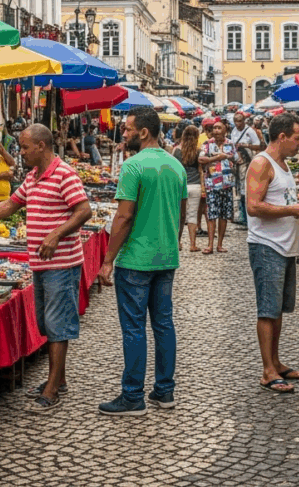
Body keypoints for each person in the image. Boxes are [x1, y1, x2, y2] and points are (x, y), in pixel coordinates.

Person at [0, 124, 92, 411]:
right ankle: (60, 379)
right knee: (45, 323)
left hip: (62, 264)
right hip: (40, 263)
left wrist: (55, 234)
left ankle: (52, 388)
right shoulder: (33, 176)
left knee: (57, 325)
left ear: (41, 146)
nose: (21, 152)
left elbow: (84, 211)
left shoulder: (64, 173)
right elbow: (10, 205)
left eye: (25, 147)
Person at [97, 107, 187, 416]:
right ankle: (165, 391)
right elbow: (182, 212)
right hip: (166, 257)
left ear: (144, 132)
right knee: (163, 325)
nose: (123, 134)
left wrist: (108, 260)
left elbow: (123, 216)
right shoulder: (176, 165)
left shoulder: (133, 166)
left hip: (136, 258)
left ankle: (132, 396)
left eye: (127, 129)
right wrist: (173, 242)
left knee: (133, 328)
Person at [246, 113, 299, 394]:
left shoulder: (282, 164)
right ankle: (267, 371)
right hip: (267, 246)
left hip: (284, 246)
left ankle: (275, 361)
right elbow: (253, 206)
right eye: (298, 138)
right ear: (282, 137)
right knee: (267, 310)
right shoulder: (261, 163)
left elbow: (282, 200)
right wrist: (293, 210)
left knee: (278, 310)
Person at [199, 121, 236, 254]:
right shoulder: (207, 144)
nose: (216, 130)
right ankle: (210, 245)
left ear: (225, 130)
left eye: (219, 128)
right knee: (211, 214)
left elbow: (236, 158)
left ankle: (220, 244)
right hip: (212, 184)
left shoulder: (230, 144)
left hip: (226, 183)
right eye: (214, 128)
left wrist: (225, 156)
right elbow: (201, 159)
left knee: (224, 214)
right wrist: (217, 158)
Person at [229, 112, 265, 226]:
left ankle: (247, 217)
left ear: (244, 121)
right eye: (235, 121)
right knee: (239, 188)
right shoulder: (233, 131)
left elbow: (259, 146)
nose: (237, 124)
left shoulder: (250, 131)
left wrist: (246, 145)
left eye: (239, 121)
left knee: (246, 188)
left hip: (248, 162)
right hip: (237, 163)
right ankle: (242, 215)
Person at [173, 125, 203, 252]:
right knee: (192, 216)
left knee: (179, 215)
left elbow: (173, 170)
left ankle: (178, 242)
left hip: (181, 185)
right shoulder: (198, 151)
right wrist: (203, 187)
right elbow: (200, 171)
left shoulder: (176, 151)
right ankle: (192, 244)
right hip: (195, 185)